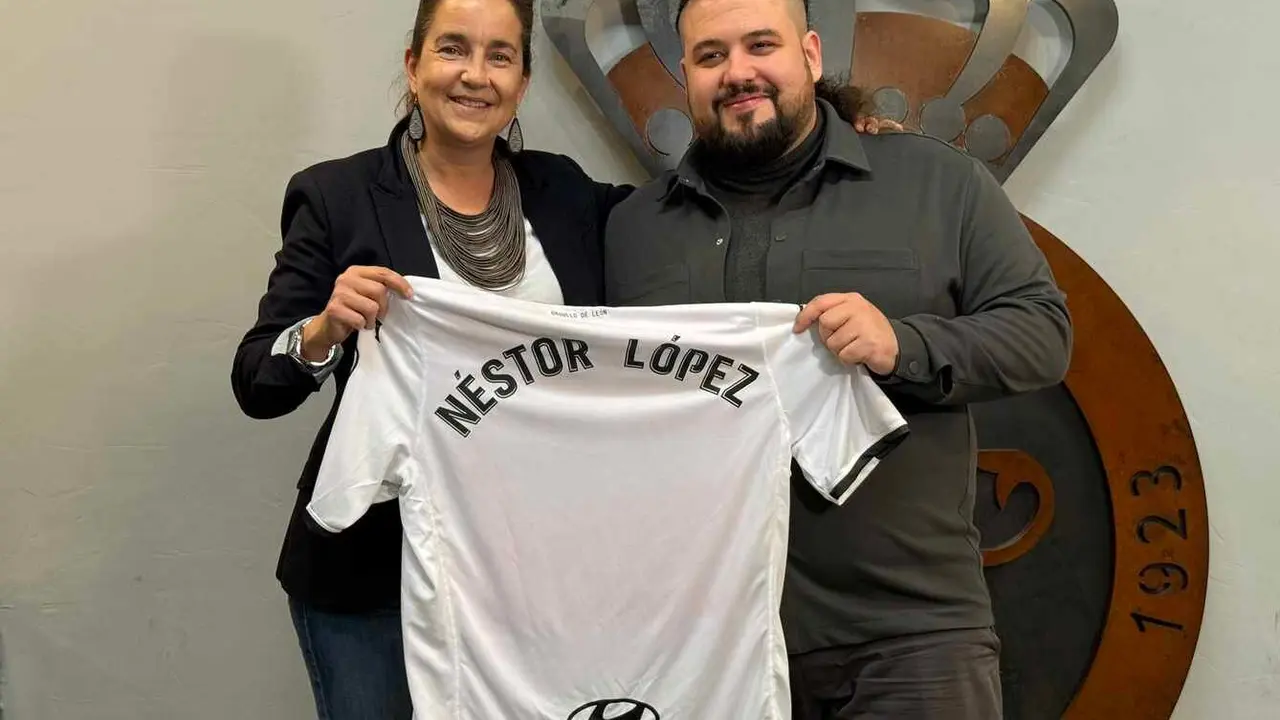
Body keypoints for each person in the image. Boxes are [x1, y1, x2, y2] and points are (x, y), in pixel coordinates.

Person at [230, 0, 897, 717]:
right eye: (453, 49)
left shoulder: (567, 194)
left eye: (499, 56)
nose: (474, 76)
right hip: (373, 577)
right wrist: (322, 332)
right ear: (413, 63)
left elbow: (692, 207)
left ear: (520, 82)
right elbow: (256, 380)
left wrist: (825, 129)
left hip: (535, 582)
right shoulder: (339, 196)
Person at [601, 0, 1073, 717]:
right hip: (708, 647)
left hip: (911, 641)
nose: (739, 72)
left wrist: (905, 345)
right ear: (687, 76)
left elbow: (1043, 334)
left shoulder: (937, 183)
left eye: (762, 45)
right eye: (711, 55)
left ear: (812, 55)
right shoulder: (633, 229)